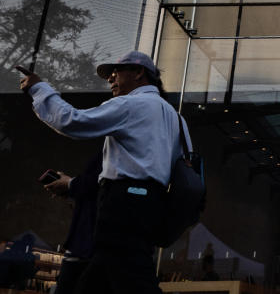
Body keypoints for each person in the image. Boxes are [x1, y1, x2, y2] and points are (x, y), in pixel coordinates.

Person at [18, 50, 189, 294]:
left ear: (139, 73)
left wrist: (39, 89)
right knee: (99, 280)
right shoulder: (175, 118)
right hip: (151, 205)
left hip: (124, 203)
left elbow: (72, 121)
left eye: (115, 72)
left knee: (136, 280)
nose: (109, 79)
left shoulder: (132, 104)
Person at [44, 152, 102, 294]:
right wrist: (71, 187)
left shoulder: (113, 150)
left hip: (86, 244)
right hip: (87, 244)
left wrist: (70, 184)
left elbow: (98, 184)